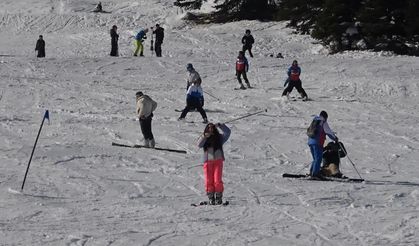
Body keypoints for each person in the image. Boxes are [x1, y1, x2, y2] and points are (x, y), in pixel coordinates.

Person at [197, 122, 231, 205]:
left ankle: (218, 197)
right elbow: (199, 144)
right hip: (208, 161)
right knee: (209, 180)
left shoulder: (219, 138)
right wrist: (204, 136)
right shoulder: (205, 138)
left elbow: (227, 132)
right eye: (209, 128)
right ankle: (211, 197)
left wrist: (221, 126)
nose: (211, 129)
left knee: (217, 180)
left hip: (218, 160)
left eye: (212, 127)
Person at [307, 111, 338, 178]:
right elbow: (329, 132)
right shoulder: (323, 122)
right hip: (317, 143)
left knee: (315, 159)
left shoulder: (314, 121)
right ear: (325, 117)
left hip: (310, 142)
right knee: (318, 159)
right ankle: (315, 174)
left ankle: (312, 173)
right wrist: (335, 138)